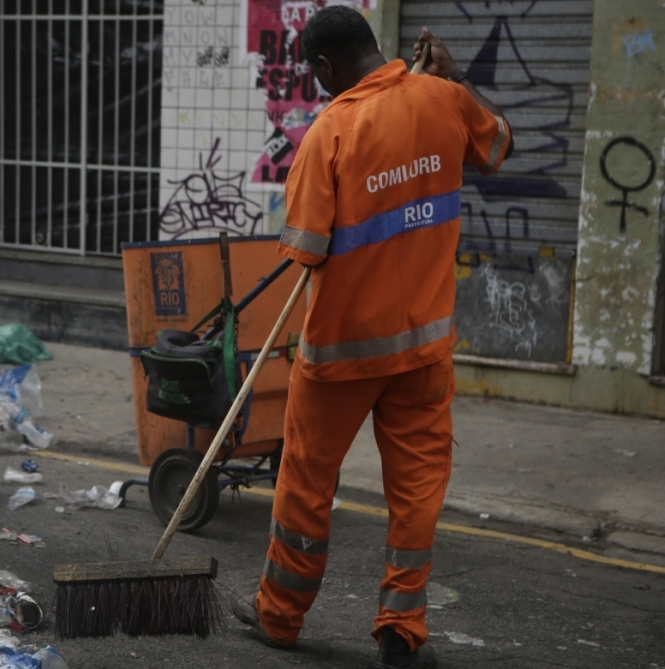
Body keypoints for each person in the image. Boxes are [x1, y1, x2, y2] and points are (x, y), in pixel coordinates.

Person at [230, 7, 513, 669]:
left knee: (306, 485)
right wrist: (455, 80)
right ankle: (401, 630)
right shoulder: (446, 100)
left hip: (341, 355)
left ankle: (279, 617)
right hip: (423, 351)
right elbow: (499, 144)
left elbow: (305, 246)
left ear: (325, 67)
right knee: (416, 494)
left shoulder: (330, 130)